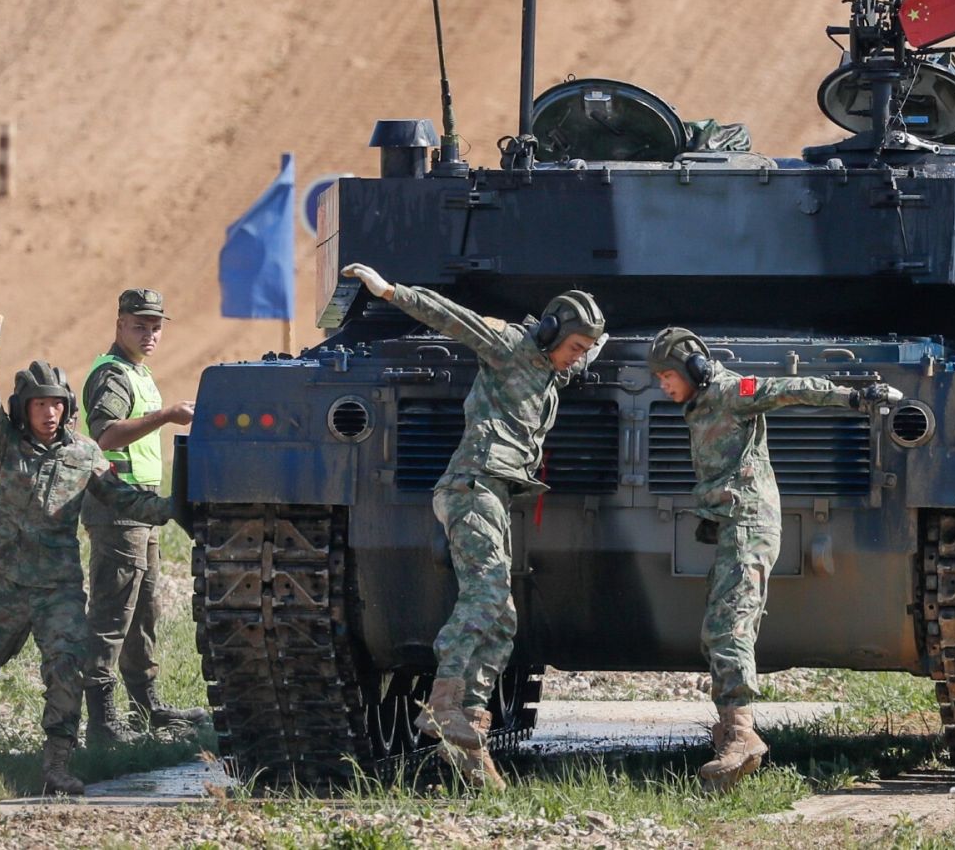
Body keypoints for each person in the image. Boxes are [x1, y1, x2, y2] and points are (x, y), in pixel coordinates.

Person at [341, 263, 606, 790]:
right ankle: (442, 702)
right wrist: (390, 289)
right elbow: (450, 318)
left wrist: (596, 341)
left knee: (503, 618)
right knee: (487, 594)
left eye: (582, 348)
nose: (577, 355)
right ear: (551, 331)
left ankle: (470, 719)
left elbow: (578, 360)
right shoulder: (509, 346)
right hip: (471, 485)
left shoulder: (552, 370)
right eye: (574, 344)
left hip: (497, 493)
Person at [0, 299, 176, 795]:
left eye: (58, 403)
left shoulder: (84, 455)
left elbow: (123, 497)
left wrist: (178, 508)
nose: (50, 412)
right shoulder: (6, 446)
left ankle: (57, 766)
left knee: (66, 670)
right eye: (41, 404)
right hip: (7, 588)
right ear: (24, 409)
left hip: (58, 590)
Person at [645, 327, 901, 791]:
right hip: (732, 525)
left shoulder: (730, 390)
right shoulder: (699, 401)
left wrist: (853, 397)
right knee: (718, 629)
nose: (662, 385)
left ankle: (741, 735)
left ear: (692, 368)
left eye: (666, 375)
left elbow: (787, 389)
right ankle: (731, 729)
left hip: (749, 525)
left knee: (730, 627)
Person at [79, 288, 202, 744]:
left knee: (142, 613)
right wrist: (166, 414)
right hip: (117, 509)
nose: (149, 334)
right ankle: (103, 721)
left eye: (155, 327)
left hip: (141, 509)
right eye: (139, 326)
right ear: (119, 325)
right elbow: (106, 435)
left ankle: (146, 706)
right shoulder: (113, 375)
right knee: (113, 615)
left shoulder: (137, 372)